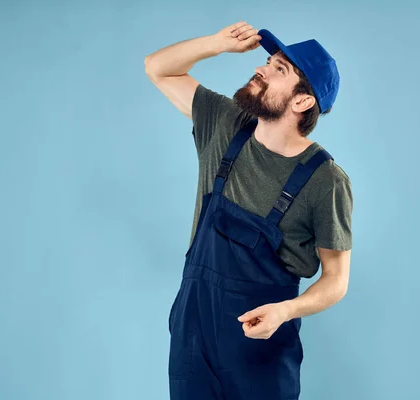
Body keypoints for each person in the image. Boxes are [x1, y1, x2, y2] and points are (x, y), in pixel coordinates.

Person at [144, 21, 353, 400]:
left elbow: (336, 280)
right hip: (193, 338)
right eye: (268, 61)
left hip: (260, 354)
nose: (261, 68)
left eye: (279, 69)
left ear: (303, 101)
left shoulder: (326, 181)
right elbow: (157, 67)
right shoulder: (223, 125)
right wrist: (216, 44)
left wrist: (287, 311)